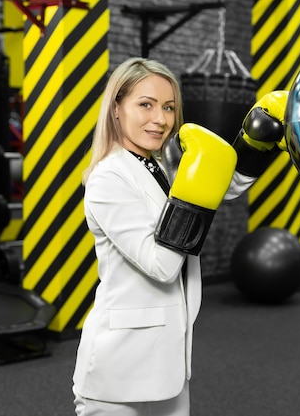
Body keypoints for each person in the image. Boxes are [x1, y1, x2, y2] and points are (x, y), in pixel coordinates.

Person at [72, 56, 288, 416]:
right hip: (119, 371)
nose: (161, 119)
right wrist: (194, 196)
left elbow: (220, 188)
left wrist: (254, 145)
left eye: (169, 107)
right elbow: (161, 265)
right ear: (116, 109)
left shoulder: (159, 165)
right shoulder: (108, 178)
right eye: (146, 105)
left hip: (166, 364)